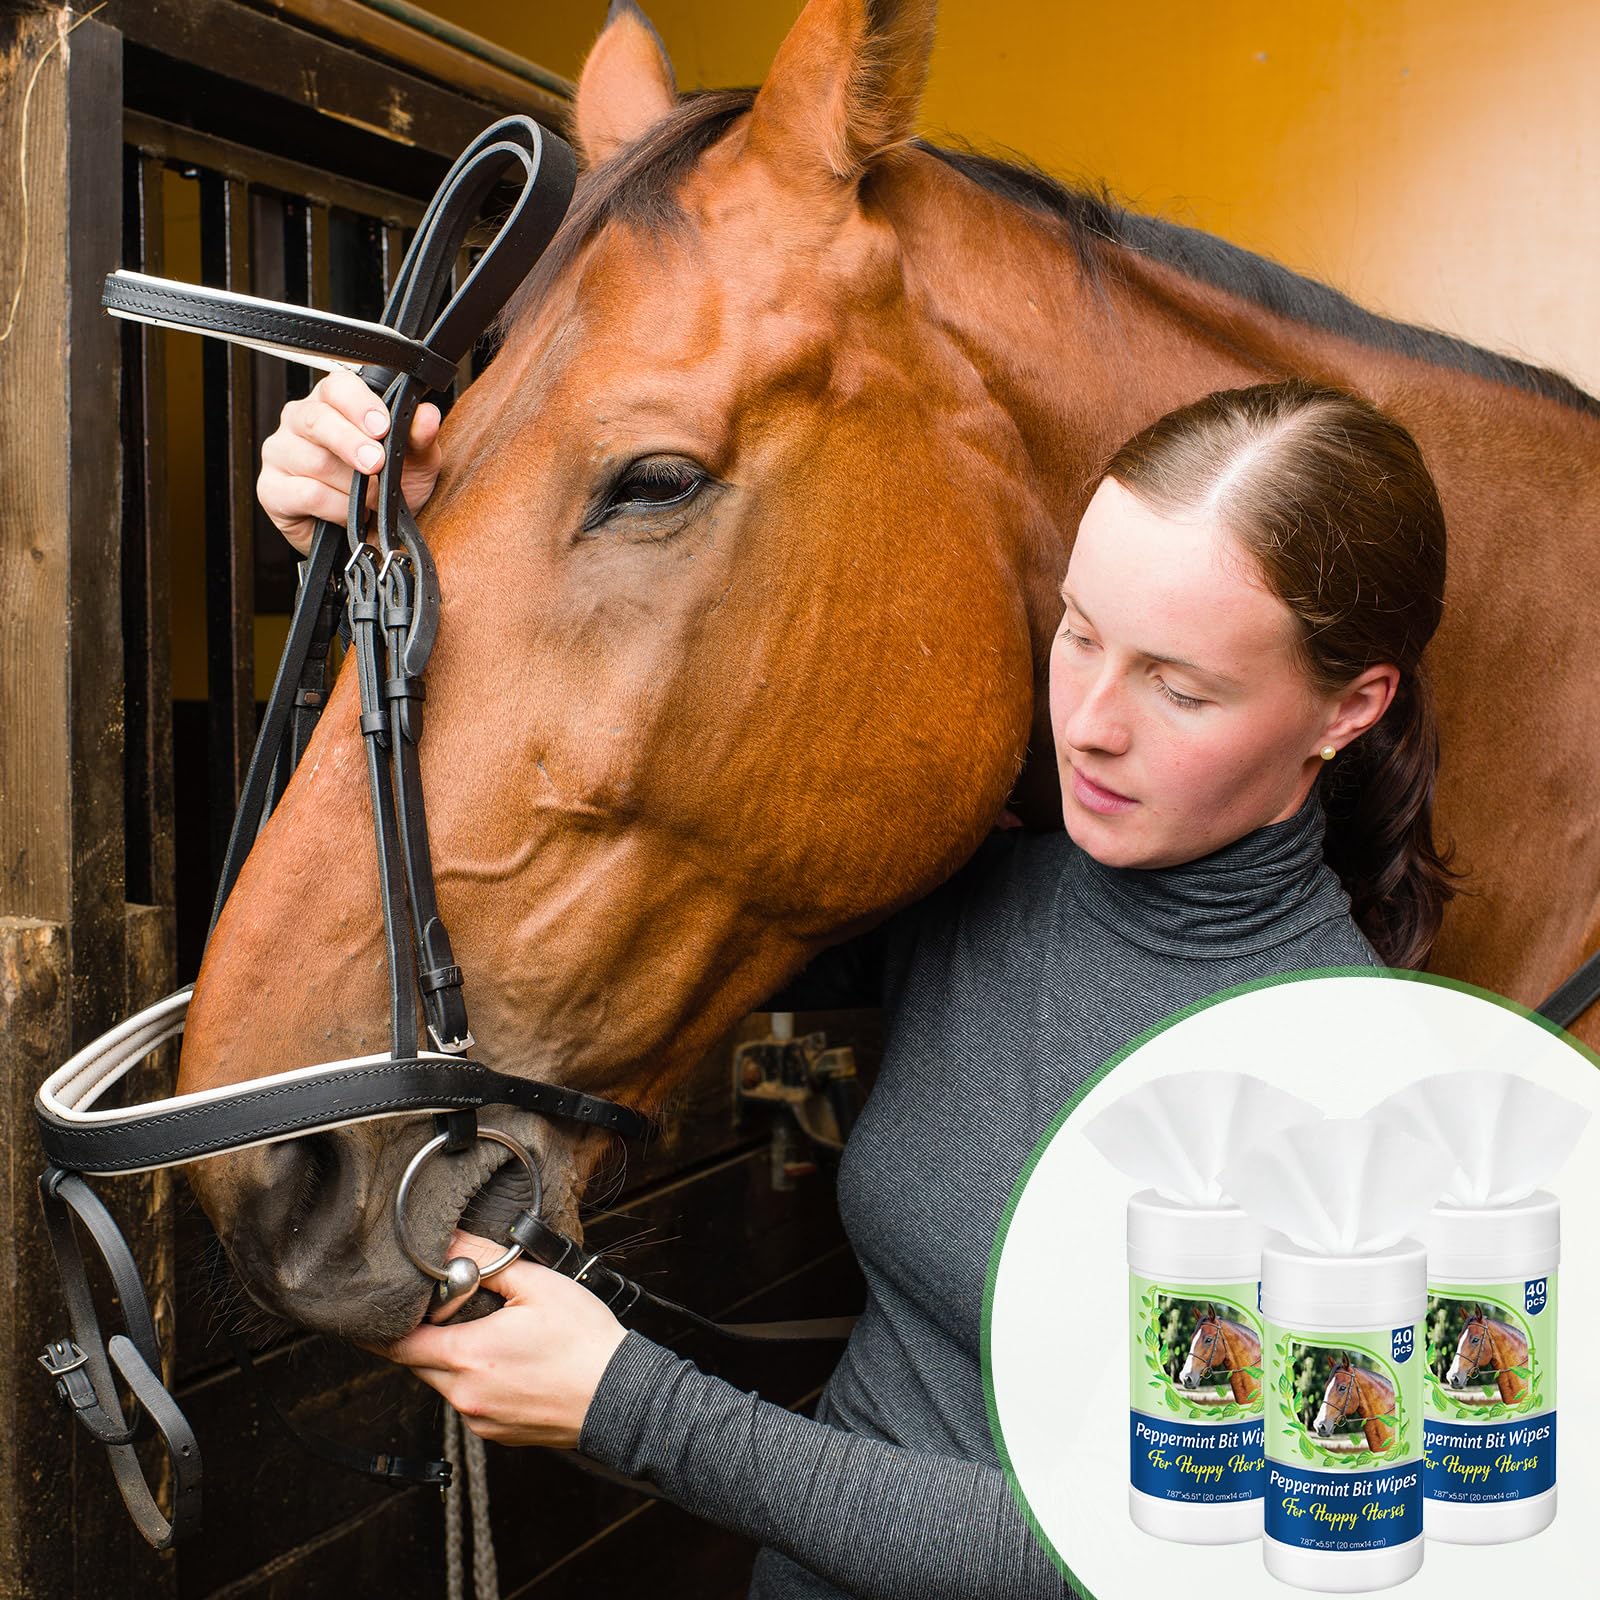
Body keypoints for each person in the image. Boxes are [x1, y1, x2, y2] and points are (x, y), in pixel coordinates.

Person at [258, 376, 1453, 1599]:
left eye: (1179, 688)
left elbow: (1136, 1554)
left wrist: (637, 1410)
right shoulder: (990, 888)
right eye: (1079, 632)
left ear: (1349, 708)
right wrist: (391, 570)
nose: (1089, 721)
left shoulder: (1360, 1095)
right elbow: (577, 880)